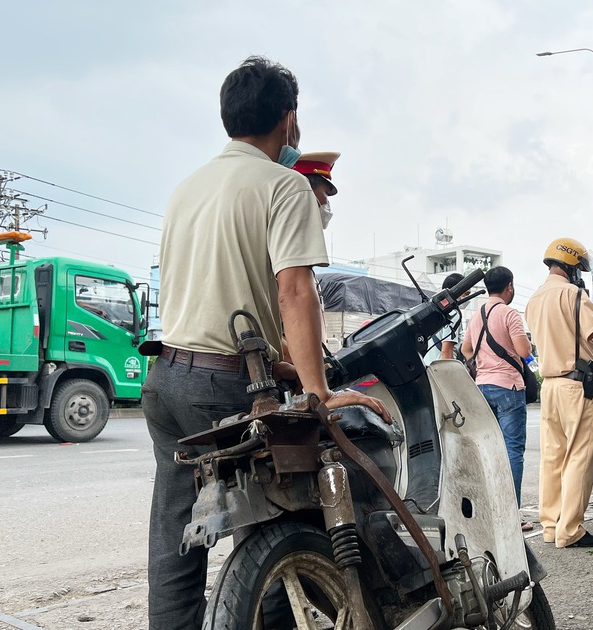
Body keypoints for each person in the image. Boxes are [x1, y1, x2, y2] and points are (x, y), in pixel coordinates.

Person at [144, 56, 387, 630]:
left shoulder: (188, 187)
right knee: (283, 521)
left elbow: (207, 290)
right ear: (289, 119)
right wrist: (317, 391)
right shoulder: (284, 187)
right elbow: (296, 293)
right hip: (225, 384)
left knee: (176, 535)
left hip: (167, 380)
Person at [525, 238, 593, 548]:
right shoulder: (573, 295)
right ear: (571, 267)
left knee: (552, 458)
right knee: (578, 457)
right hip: (576, 385)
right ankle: (570, 531)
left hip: (550, 386)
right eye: (578, 269)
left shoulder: (534, 300)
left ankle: (550, 525)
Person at [460, 266, 534, 530]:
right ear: (509, 286)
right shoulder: (509, 313)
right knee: (513, 451)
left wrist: (481, 363)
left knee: (491, 451)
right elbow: (524, 350)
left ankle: (492, 514)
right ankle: (511, 516)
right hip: (509, 388)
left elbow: (465, 348)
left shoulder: (476, 314)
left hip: (482, 388)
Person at [425, 273, 465, 364]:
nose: (465, 298)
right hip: (441, 371)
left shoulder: (432, 310)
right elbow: (446, 353)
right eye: (465, 294)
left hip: (428, 367)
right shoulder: (453, 314)